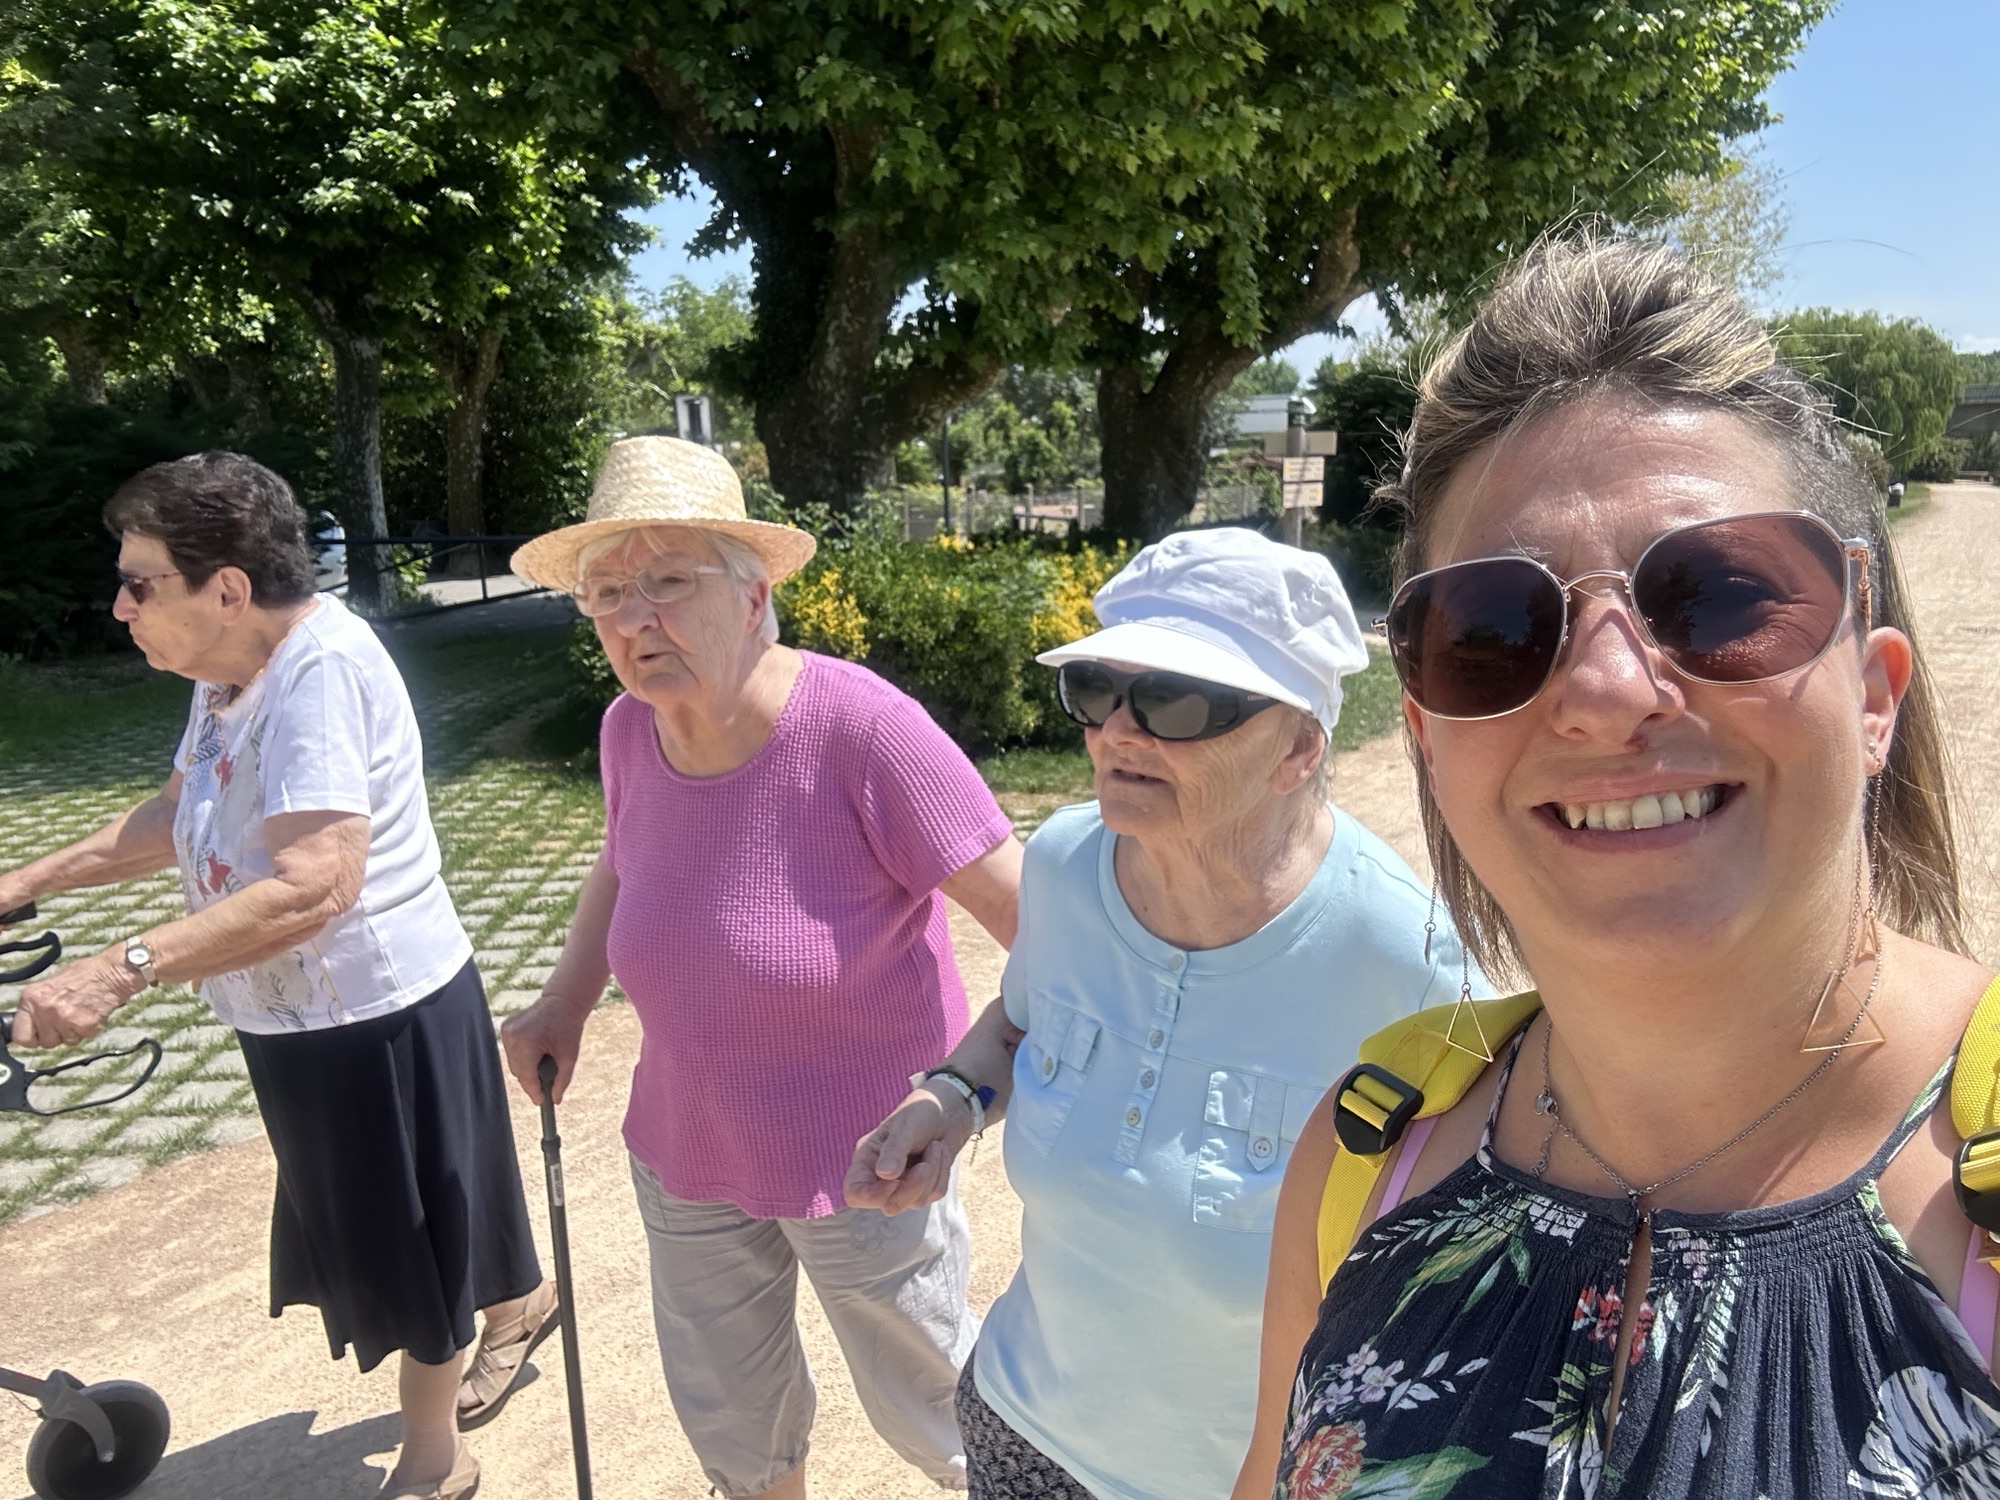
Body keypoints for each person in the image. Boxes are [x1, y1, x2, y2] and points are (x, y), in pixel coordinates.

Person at [1236, 235, 2000, 1500]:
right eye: (1493, 629)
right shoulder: (1371, 1148)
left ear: (1871, 697)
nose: (1602, 688)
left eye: (1715, 596)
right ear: (1424, 737)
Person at [849, 527, 1483, 1500]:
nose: (1116, 730)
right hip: (1020, 1428)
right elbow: (1020, 1023)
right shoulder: (1063, 865)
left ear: (1297, 747)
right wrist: (952, 1100)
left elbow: (1468, 1260)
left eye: (1176, 700)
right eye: (1096, 688)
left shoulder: (1408, 961)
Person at [0, 452, 549, 1500]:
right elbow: (178, 811)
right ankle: (515, 1303)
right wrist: (23, 882)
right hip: (291, 1014)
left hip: (376, 1015)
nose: (120, 608)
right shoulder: (227, 674)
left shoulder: (319, 673)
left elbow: (314, 887)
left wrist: (121, 970)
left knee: (411, 1241)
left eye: (139, 583)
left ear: (227, 588)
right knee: (397, 1216)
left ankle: (435, 1455)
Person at [501, 436, 1022, 1500]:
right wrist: (565, 999)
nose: (634, 618)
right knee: (733, 1422)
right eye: (608, 594)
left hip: (869, 1156)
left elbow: (1043, 930)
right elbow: (621, 859)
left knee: (935, 1407)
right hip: (687, 1139)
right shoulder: (629, 730)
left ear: (752, 596)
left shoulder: (864, 730)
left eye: (667, 582)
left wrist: (966, 1094)